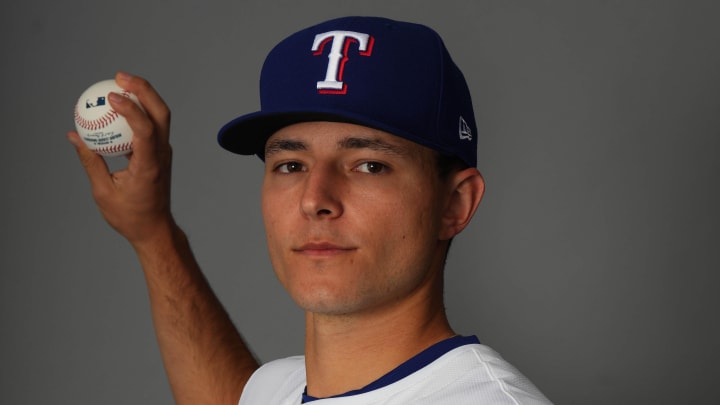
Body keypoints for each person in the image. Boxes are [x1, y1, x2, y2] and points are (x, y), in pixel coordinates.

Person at [68, 16, 552, 405]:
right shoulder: (274, 387)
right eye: (291, 163)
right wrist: (152, 232)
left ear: (455, 203)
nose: (314, 198)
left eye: (369, 165)